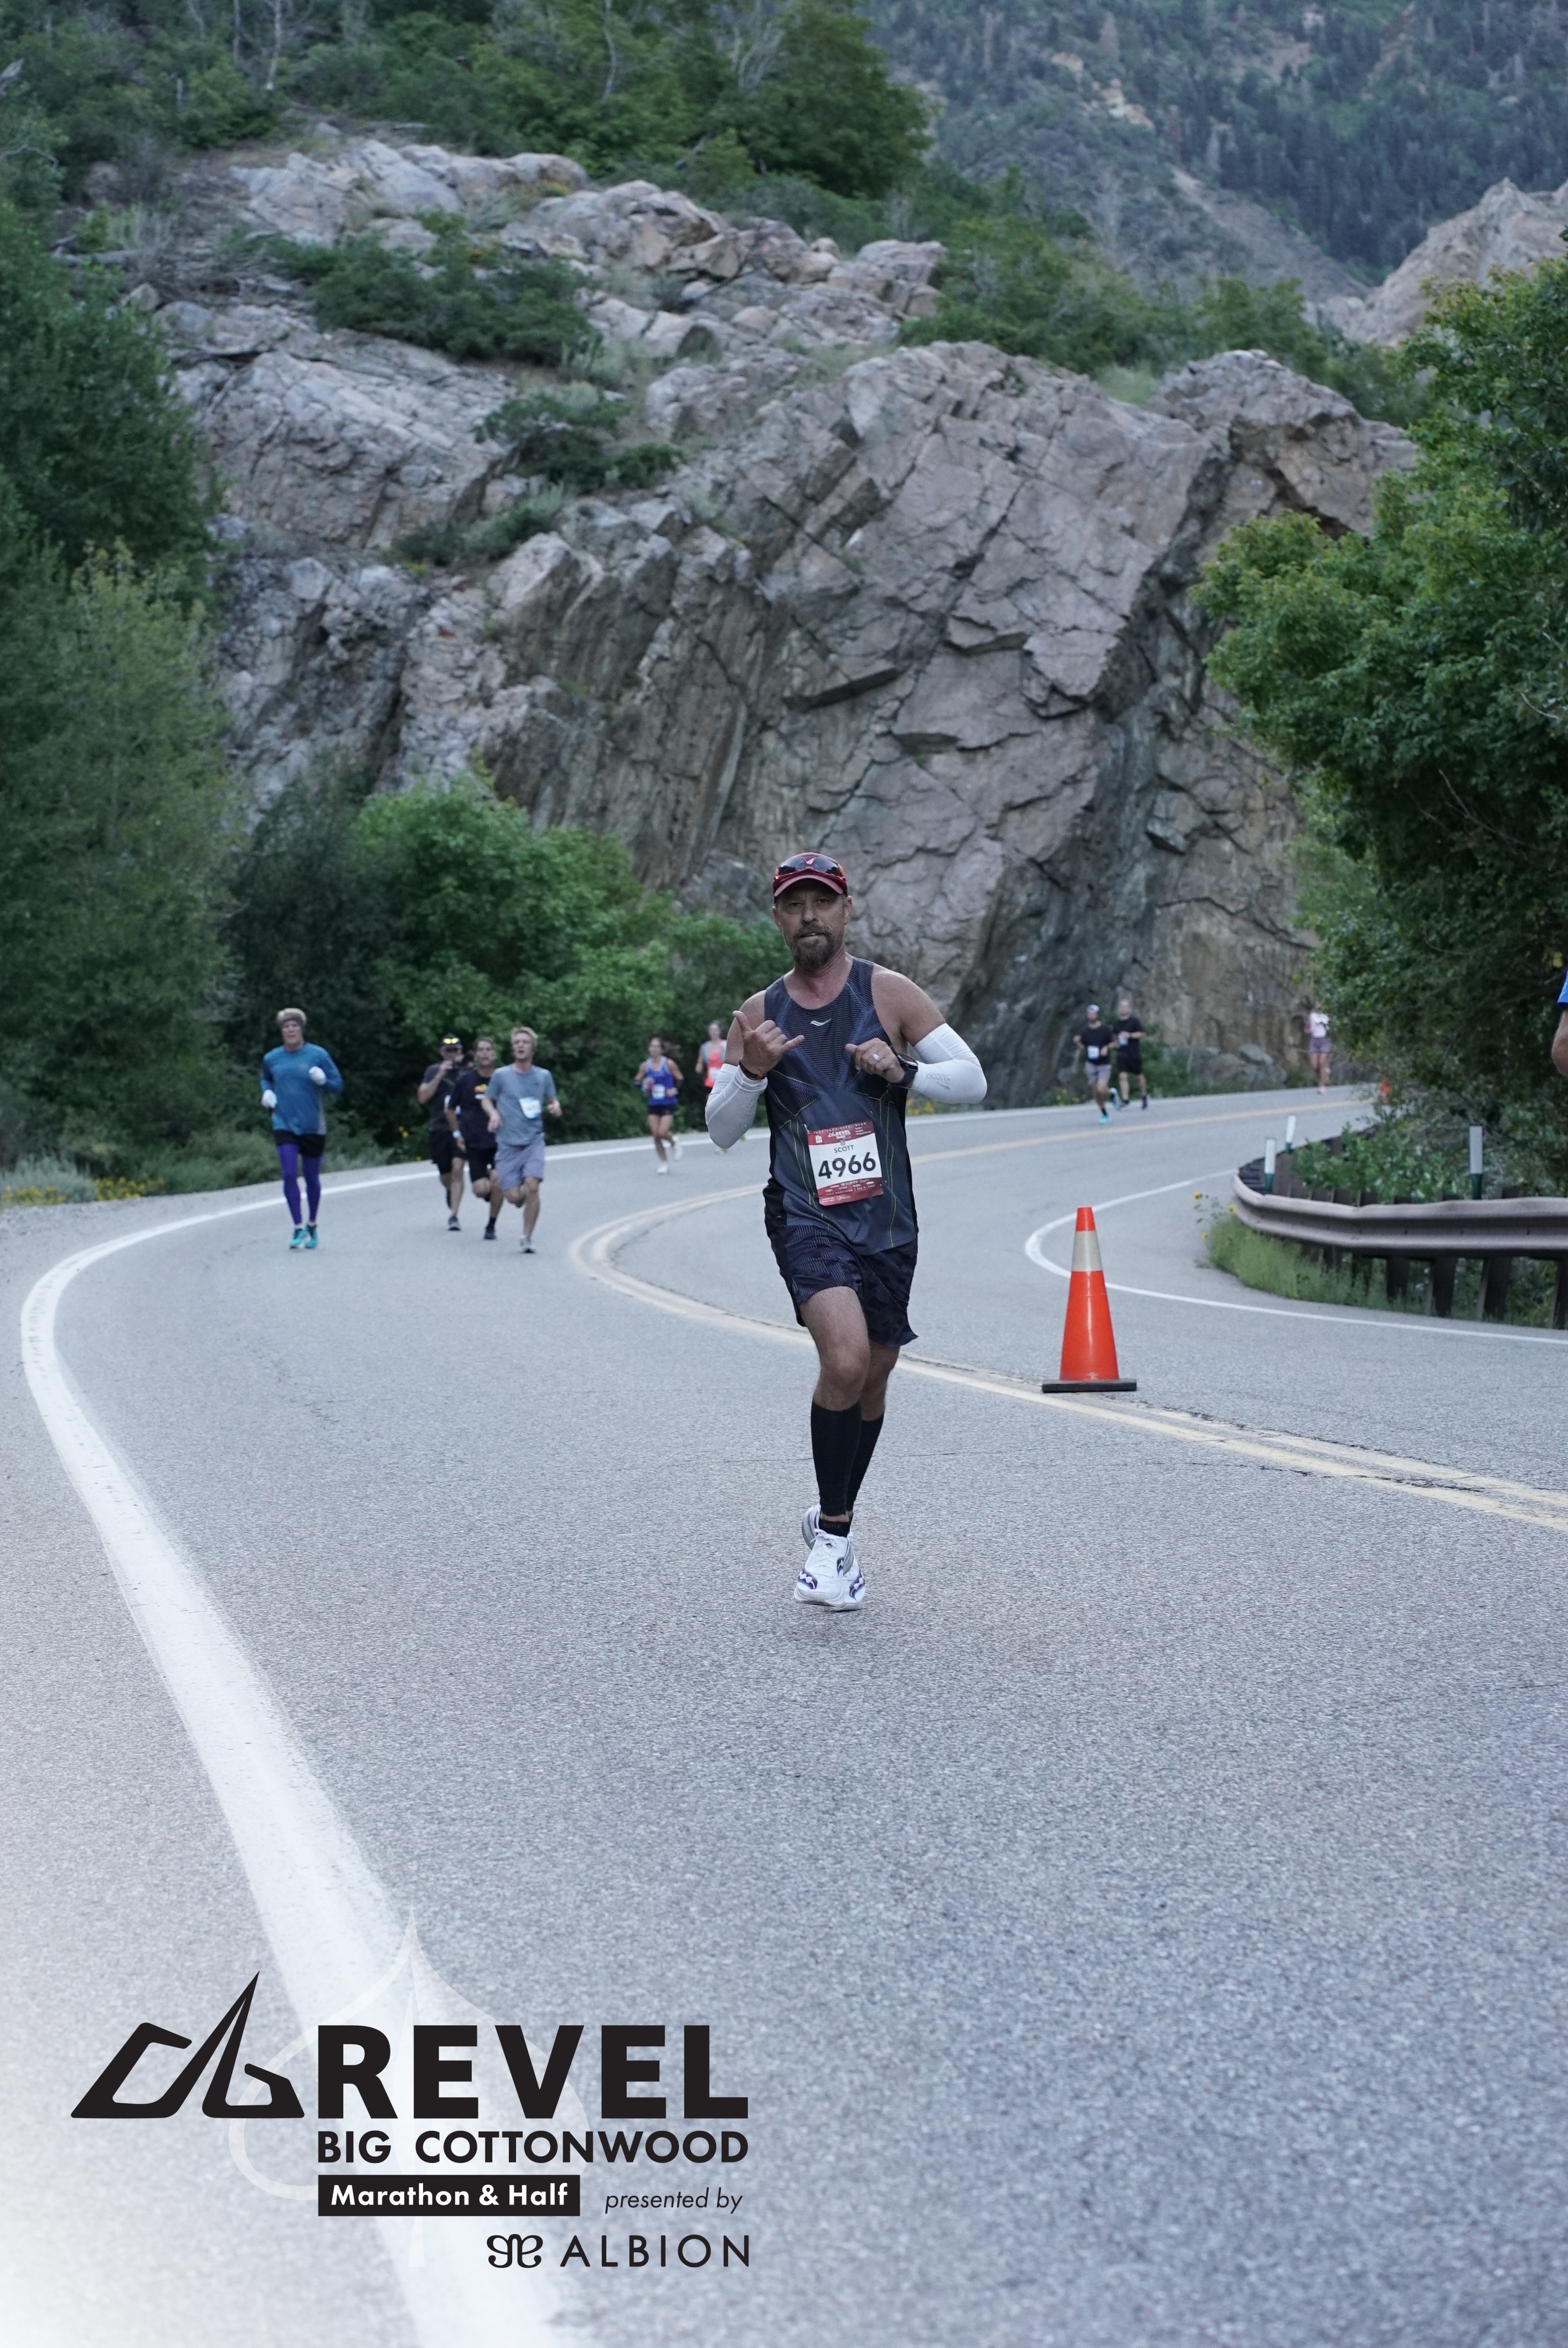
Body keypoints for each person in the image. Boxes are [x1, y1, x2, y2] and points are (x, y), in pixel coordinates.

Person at [706, 851, 987, 1610]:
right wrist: (751, 1072)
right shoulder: (758, 1013)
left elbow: (973, 1079)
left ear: (846, 909)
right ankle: (832, 1545)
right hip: (805, 1212)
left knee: (874, 1373)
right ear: (777, 918)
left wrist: (904, 1071)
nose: (809, 917)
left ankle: (834, 1516)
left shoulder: (888, 993)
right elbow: (721, 1130)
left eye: (822, 903)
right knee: (846, 1357)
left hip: (887, 1217)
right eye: (795, 905)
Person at [260, 1007, 343, 1250]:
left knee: (311, 1178)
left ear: (302, 1029)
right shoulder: (272, 1058)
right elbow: (266, 1077)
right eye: (286, 1027)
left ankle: (312, 1223)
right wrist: (267, 1092)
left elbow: (338, 1085)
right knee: (289, 1173)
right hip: (284, 1122)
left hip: (312, 1125)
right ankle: (297, 1226)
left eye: (295, 1026)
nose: (291, 1030)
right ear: (281, 1031)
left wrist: (324, 1081)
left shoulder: (318, 1055)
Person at [482, 1026, 561, 1251]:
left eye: (525, 1042)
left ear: (533, 1048)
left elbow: (552, 1100)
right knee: (513, 1197)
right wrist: (494, 1114)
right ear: (512, 1048)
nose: (520, 1046)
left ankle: (527, 1237)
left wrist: (555, 1107)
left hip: (533, 1141)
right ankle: (521, 1195)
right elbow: (486, 1100)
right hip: (507, 1144)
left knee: (533, 1187)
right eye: (517, 1042)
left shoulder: (543, 1076)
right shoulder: (501, 1075)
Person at [446, 1036, 499, 1224]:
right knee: (479, 1189)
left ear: (495, 1054)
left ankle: (491, 1222)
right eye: (481, 1050)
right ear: (475, 1055)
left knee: (498, 1180)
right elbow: (450, 1109)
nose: (485, 1054)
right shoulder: (465, 1080)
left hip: (498, 1140)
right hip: (473, 1139)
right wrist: (457, 1134)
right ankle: (456, 1214)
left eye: (488, 1050)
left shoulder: (502, 1078)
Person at [418, 1034, 467, 1230]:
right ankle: (451, 1190)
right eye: (448, 1051)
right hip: (439, 1128)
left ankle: (454, 1216)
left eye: (455, 1050)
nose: (452, 1054)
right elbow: (422, 1097)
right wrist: (440, 1074)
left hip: (461, 1128)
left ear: (461, 1051)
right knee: (446, 1175)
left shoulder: (467, 1072)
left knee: (458, 1168)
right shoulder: (433, 1071)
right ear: (442, 1052)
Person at [635, 1036, 684, 1173]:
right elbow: (637, 1082)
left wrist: (674, 1090)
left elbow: (680, 1080)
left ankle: (673, 1141)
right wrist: (644, 1084)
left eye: (657, 1047)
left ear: (662, 1050)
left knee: (663, 1132)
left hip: (667, 1103)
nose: (654, 1049)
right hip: (653, 1103)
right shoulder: (645, 1066)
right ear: (649, 1049)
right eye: (652, 1046)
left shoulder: (668, 1064)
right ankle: (664, 1163)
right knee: (656, 1135)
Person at [1074, 1003, 1116, 1120]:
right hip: (1091, 1064)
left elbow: (1115, 1042)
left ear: (1097, 1015)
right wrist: (1078, 1042)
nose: (1091, 1016)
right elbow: (1083, 1048)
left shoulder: (1105, 1029)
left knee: (1101, 1089)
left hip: (1103, 1064)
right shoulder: (1085, 1031)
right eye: (1089, 1014)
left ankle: (1111, 1094)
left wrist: (1107, 1048)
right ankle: (1104, 1114)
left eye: (1093, 1014)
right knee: (1096, 1093)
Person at [1114, 997, 1148, 1110]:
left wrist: (1130, 1036)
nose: (1123, 1009)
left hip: (1134, 1053)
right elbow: (1114, 1036)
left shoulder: (1135, 1021)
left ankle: (1144, 1096)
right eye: (1122, 1007)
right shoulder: (1117, 1023)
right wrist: (1115, 1043)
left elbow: (1142, 1034)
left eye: (1125, 1007)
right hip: (1122, 1053)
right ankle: (1125, 1099)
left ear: (1130, 1009)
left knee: (1138, 1076)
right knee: (1122, 1075)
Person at [698, 1021, 727, 1096]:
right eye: (711, 1030)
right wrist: (699, 1068)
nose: (714, 1033)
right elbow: (699, 1065)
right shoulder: (705, 1047)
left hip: (724, 1082)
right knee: (711, 1102)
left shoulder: (725, 1045)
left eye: (716, 1030)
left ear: (720, 1032)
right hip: (710, 1083)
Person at [1307, 1005, 1332, 1091]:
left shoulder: (1327, 1015)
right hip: (1314, 1041)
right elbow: (1307, 1028)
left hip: (1324, 1040)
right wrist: (1310, 1030)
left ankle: (1323, 1086)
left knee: (1322, 1063)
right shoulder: (1312, 1016)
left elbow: (1332, 1027)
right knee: (1315, 1066)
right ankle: (1326, 1071)